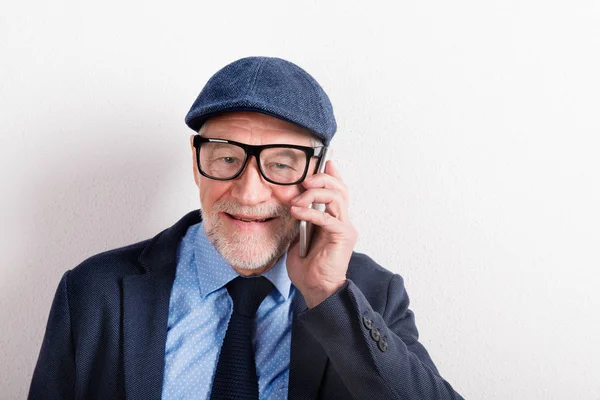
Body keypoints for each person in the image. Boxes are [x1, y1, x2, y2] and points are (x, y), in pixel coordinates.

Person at [28, 57, 464, 400]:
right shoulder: (93, 291)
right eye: (226, 158)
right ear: (197, 165)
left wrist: (328, 296)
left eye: (279, 163)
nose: (251, 193)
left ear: (319, 174)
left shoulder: (372, 294)